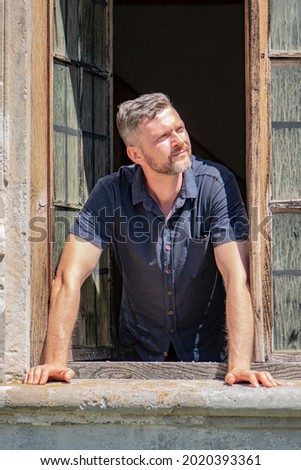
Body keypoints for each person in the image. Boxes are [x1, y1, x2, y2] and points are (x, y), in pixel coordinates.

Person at [24, 93, 280, 387]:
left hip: (209, 360)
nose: (179, 141)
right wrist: (55, 362)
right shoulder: (111, 192)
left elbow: (237, 278)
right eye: (163, 137)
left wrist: (239, 366)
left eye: (180, 129)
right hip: (137, 358)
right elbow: (67, 277)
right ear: (136, 155)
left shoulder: (216, 184)